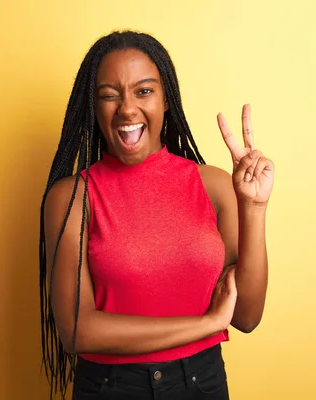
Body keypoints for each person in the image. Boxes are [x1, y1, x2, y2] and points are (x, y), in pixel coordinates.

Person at [38, 30, 274, 400]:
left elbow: (245, 315)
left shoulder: (213, 185)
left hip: (202, 382)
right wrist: (207, 323)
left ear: (166, 100)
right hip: (110, 388)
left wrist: (254, 207)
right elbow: (76, 330)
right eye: (109, 95)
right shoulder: (71, 199)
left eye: (143, 91)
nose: (127, 108)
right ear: (93, 107)